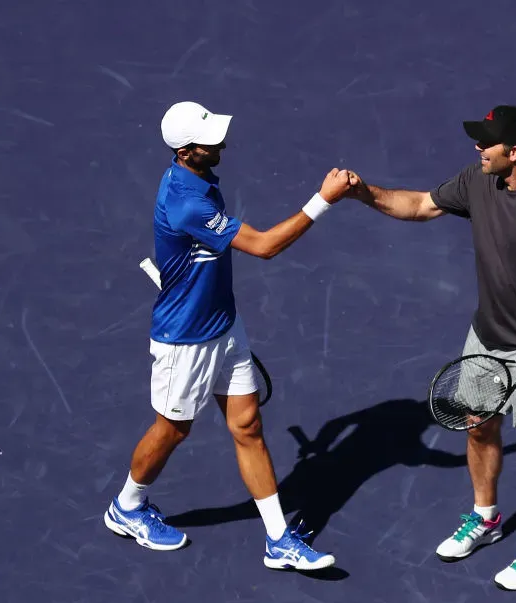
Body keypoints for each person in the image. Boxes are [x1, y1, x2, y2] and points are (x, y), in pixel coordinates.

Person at [345, 105, 516, 590]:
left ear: (515, 152)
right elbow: (419, 205)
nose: (478, 148)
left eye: (487, 142)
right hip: (486, 336)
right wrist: (363, 193)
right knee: (478, 426)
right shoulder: (479, 181)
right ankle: (486, 518)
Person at [103, 101, 350, 571]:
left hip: (223, 324)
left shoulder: (198, 178)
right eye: (209, 139)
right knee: (173, 429)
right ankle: (127, 507)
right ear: (186, 150)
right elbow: (263, 246)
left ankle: (279, 540)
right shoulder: (186, 202)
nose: (220, 142)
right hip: (186, 339)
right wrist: (324, 199)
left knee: (248, 427)